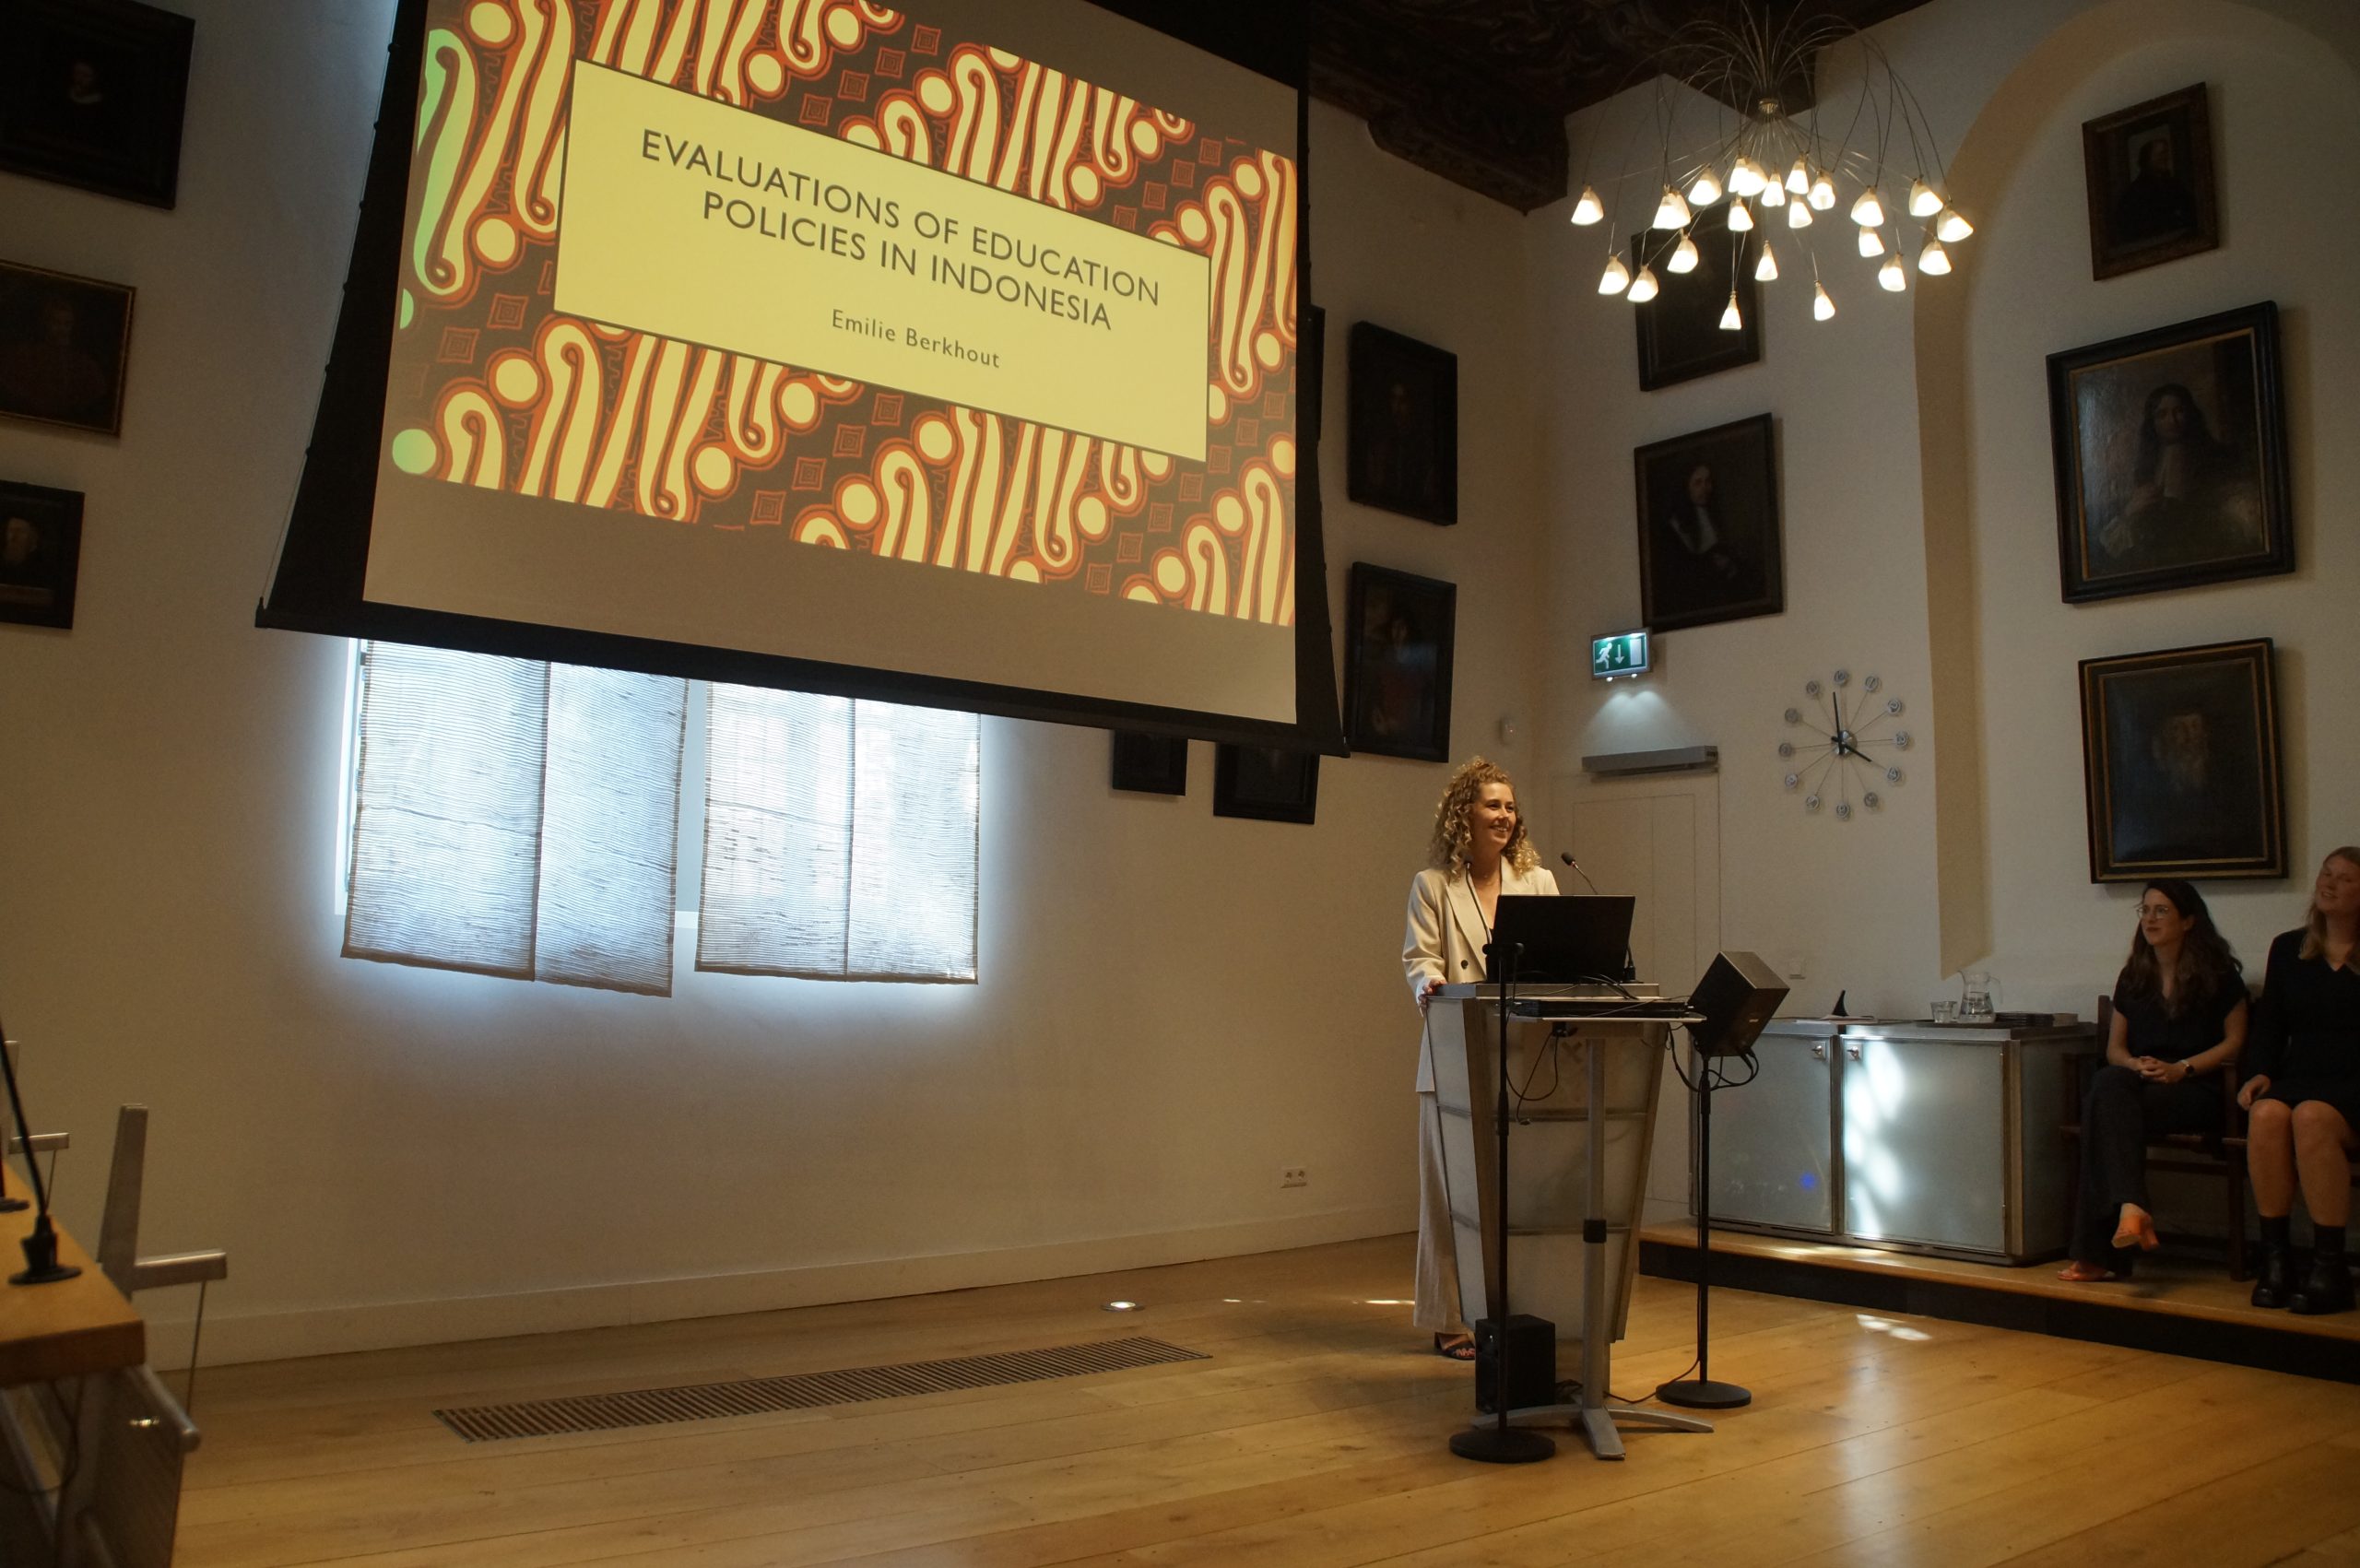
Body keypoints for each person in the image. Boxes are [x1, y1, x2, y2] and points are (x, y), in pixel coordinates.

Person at [1400, 758, 1559, 1358]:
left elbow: (1559, 963)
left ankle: (1516, 1314)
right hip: (1454, 1052)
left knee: (1517, 1196)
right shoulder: (1433, 885)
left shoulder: (1538, 882)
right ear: (1463, 813)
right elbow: (1420, 959)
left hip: (1523, 1060)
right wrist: (1429, 985)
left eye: (1510, 806)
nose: (1504, 815)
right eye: (1493, 804)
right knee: (1450, 1197)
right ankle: (1449, 1318)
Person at [2059, 880, 2247, 1281]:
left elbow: (2235, 1042)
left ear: (2189, 921)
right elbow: (2116, 1049)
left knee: (2102, 1111)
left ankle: (2098, 1250)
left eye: (2161, 911)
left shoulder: (2219, 975)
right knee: (2109, 1083)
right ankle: (2131, 1207)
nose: (2150, 919)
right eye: (2144, 910)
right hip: (2140, 1085)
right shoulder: (2134, 976)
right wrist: (2135, 1065)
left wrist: (2183, 1067)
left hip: (2196, 1087)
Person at [2240, 846, 2360, 1315]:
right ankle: (2277, 1259)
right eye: (2327, 874)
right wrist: (2259, 1072)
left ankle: (2330, 1267)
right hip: (2303, 1073)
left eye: (2345, 878)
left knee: (2311, 1117)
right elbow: (2270, 1024)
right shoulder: (2289, 948)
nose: (2329, 883)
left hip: (2354, 1083)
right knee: (2266, 1114)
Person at [2095, 382, 2260, 575]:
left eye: (2179, 411)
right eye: (2162, 415)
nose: (2171, 421)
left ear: (2190, 414)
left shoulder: (2216, 458)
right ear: (2152, 422)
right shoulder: (2147, 466)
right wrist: (2133, 509)